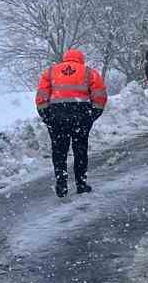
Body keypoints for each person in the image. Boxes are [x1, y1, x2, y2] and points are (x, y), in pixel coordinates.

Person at [34, 47, 108, 197]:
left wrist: (46, 116)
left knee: (59, 151)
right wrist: (93, 114)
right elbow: (100, 95)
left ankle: (61, 184)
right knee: (80, 150)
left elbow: (41, 95)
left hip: (57, 115)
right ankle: (81, 184)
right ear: (81, 59)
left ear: (65, 58)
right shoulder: (89, 72)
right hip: (81, 115)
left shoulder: (50, 72)